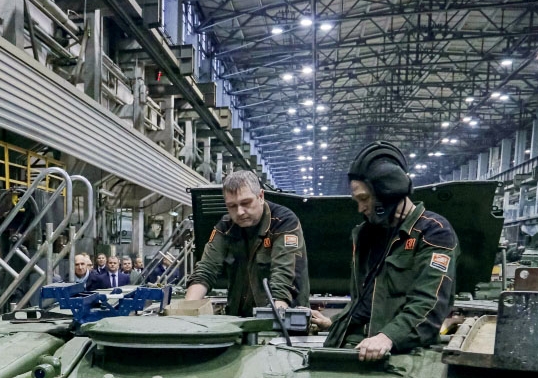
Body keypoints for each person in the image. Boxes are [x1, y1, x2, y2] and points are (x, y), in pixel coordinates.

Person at [319, 142, 459, 361]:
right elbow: (365, 301)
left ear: (389, 192)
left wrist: (387, 337)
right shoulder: (367, 233)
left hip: (400, 352)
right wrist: (333, 322)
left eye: (364, 198)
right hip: (352, 344)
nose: (361, 208)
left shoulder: (433, 232)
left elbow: (429, 305)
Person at [186, 170, 307, 315]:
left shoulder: (284, 222)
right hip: (238, 317)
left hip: (282, 316)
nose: (240, 212)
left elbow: (284, 275)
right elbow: (206, 269)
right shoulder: (226, 226)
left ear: (260, 196)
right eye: (232, 206)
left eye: (246, 203)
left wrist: (278, 315)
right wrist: (187, 309)